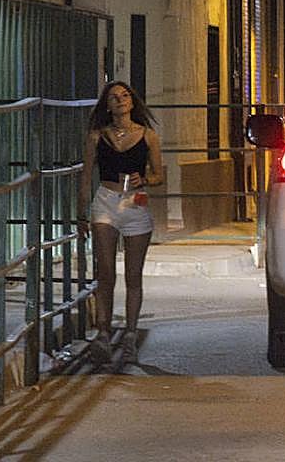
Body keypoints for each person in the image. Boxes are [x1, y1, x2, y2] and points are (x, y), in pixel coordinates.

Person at [78, 81, 165, 368]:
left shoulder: (148, 136)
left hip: (135, 204)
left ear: (132, 101)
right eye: (114, 97)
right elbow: (86, 176)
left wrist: (145, 179)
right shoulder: (96, 137)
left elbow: (159, 175)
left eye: (125, 95)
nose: (120, 100)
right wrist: (81, 214)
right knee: (105, 271)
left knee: (133, 275)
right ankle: (103, 333)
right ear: (107, 105)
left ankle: (129, 334)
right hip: (106, 200)